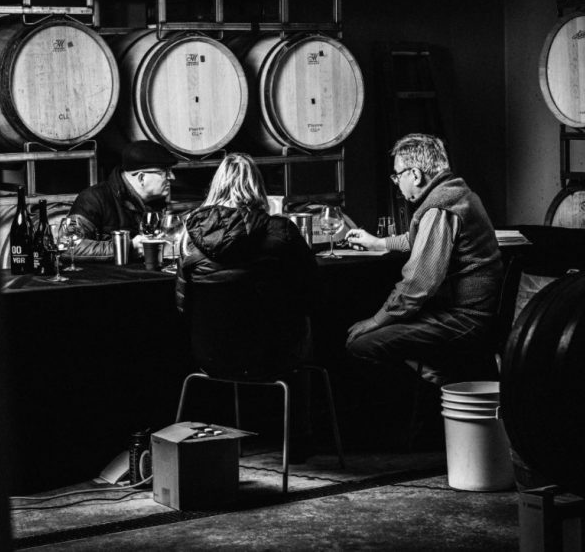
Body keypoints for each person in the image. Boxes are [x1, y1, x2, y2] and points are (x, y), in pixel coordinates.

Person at [175, 153, 321, 461]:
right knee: (301, 323)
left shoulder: (188, 232)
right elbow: (312, 288)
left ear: (216, 186)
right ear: (258, 187)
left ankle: (214, 439)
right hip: (271, 356)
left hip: (209, 355)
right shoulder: (281, 230)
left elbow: (181, 299)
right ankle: (298, 441)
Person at [344, 133, 503, 388]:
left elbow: (418, 285)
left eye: (398, 175)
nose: (396, 182)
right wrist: (378, 243)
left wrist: (375, 321)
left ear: (415, 175)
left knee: (361, 345)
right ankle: (434, 377)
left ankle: (427, 395)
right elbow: (418, 239)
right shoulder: (457, 192)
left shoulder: (439, 208)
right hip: (474, 314)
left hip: (463, 320)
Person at [67, 140, 178, 260]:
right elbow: (70, 245)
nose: (172, 177)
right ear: (141, 178)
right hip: (107, 277)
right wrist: (128, 247)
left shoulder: (156, 202)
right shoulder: (93, 199)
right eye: (165, 172)